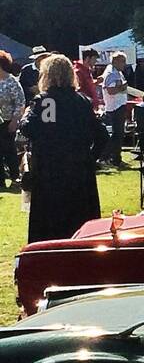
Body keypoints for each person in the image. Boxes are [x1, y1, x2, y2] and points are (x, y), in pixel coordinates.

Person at [18, 53, 104, 243]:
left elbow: (27, 128)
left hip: (49, 172)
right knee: (79, 225)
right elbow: (102, 135)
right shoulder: (82, 101)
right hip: (79, 172)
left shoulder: (43, 101)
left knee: (49, 226)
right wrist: (90, 159)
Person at [98, 51, 131, 167]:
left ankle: (115, 158)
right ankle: (105, 156)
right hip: (116, 106)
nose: (124, 64)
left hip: (116, 106)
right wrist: (122, 87)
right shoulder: (113, 73)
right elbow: (111, 91)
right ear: (115, 61)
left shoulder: (115, 71)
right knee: (117, 134)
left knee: (118, 134)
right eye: (123, 61)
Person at [0, 51, 25, 189]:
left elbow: (20, 102)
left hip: (8, 122)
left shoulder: (12, 81)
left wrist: (15, 120)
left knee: (9, 150)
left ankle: (15, 177)